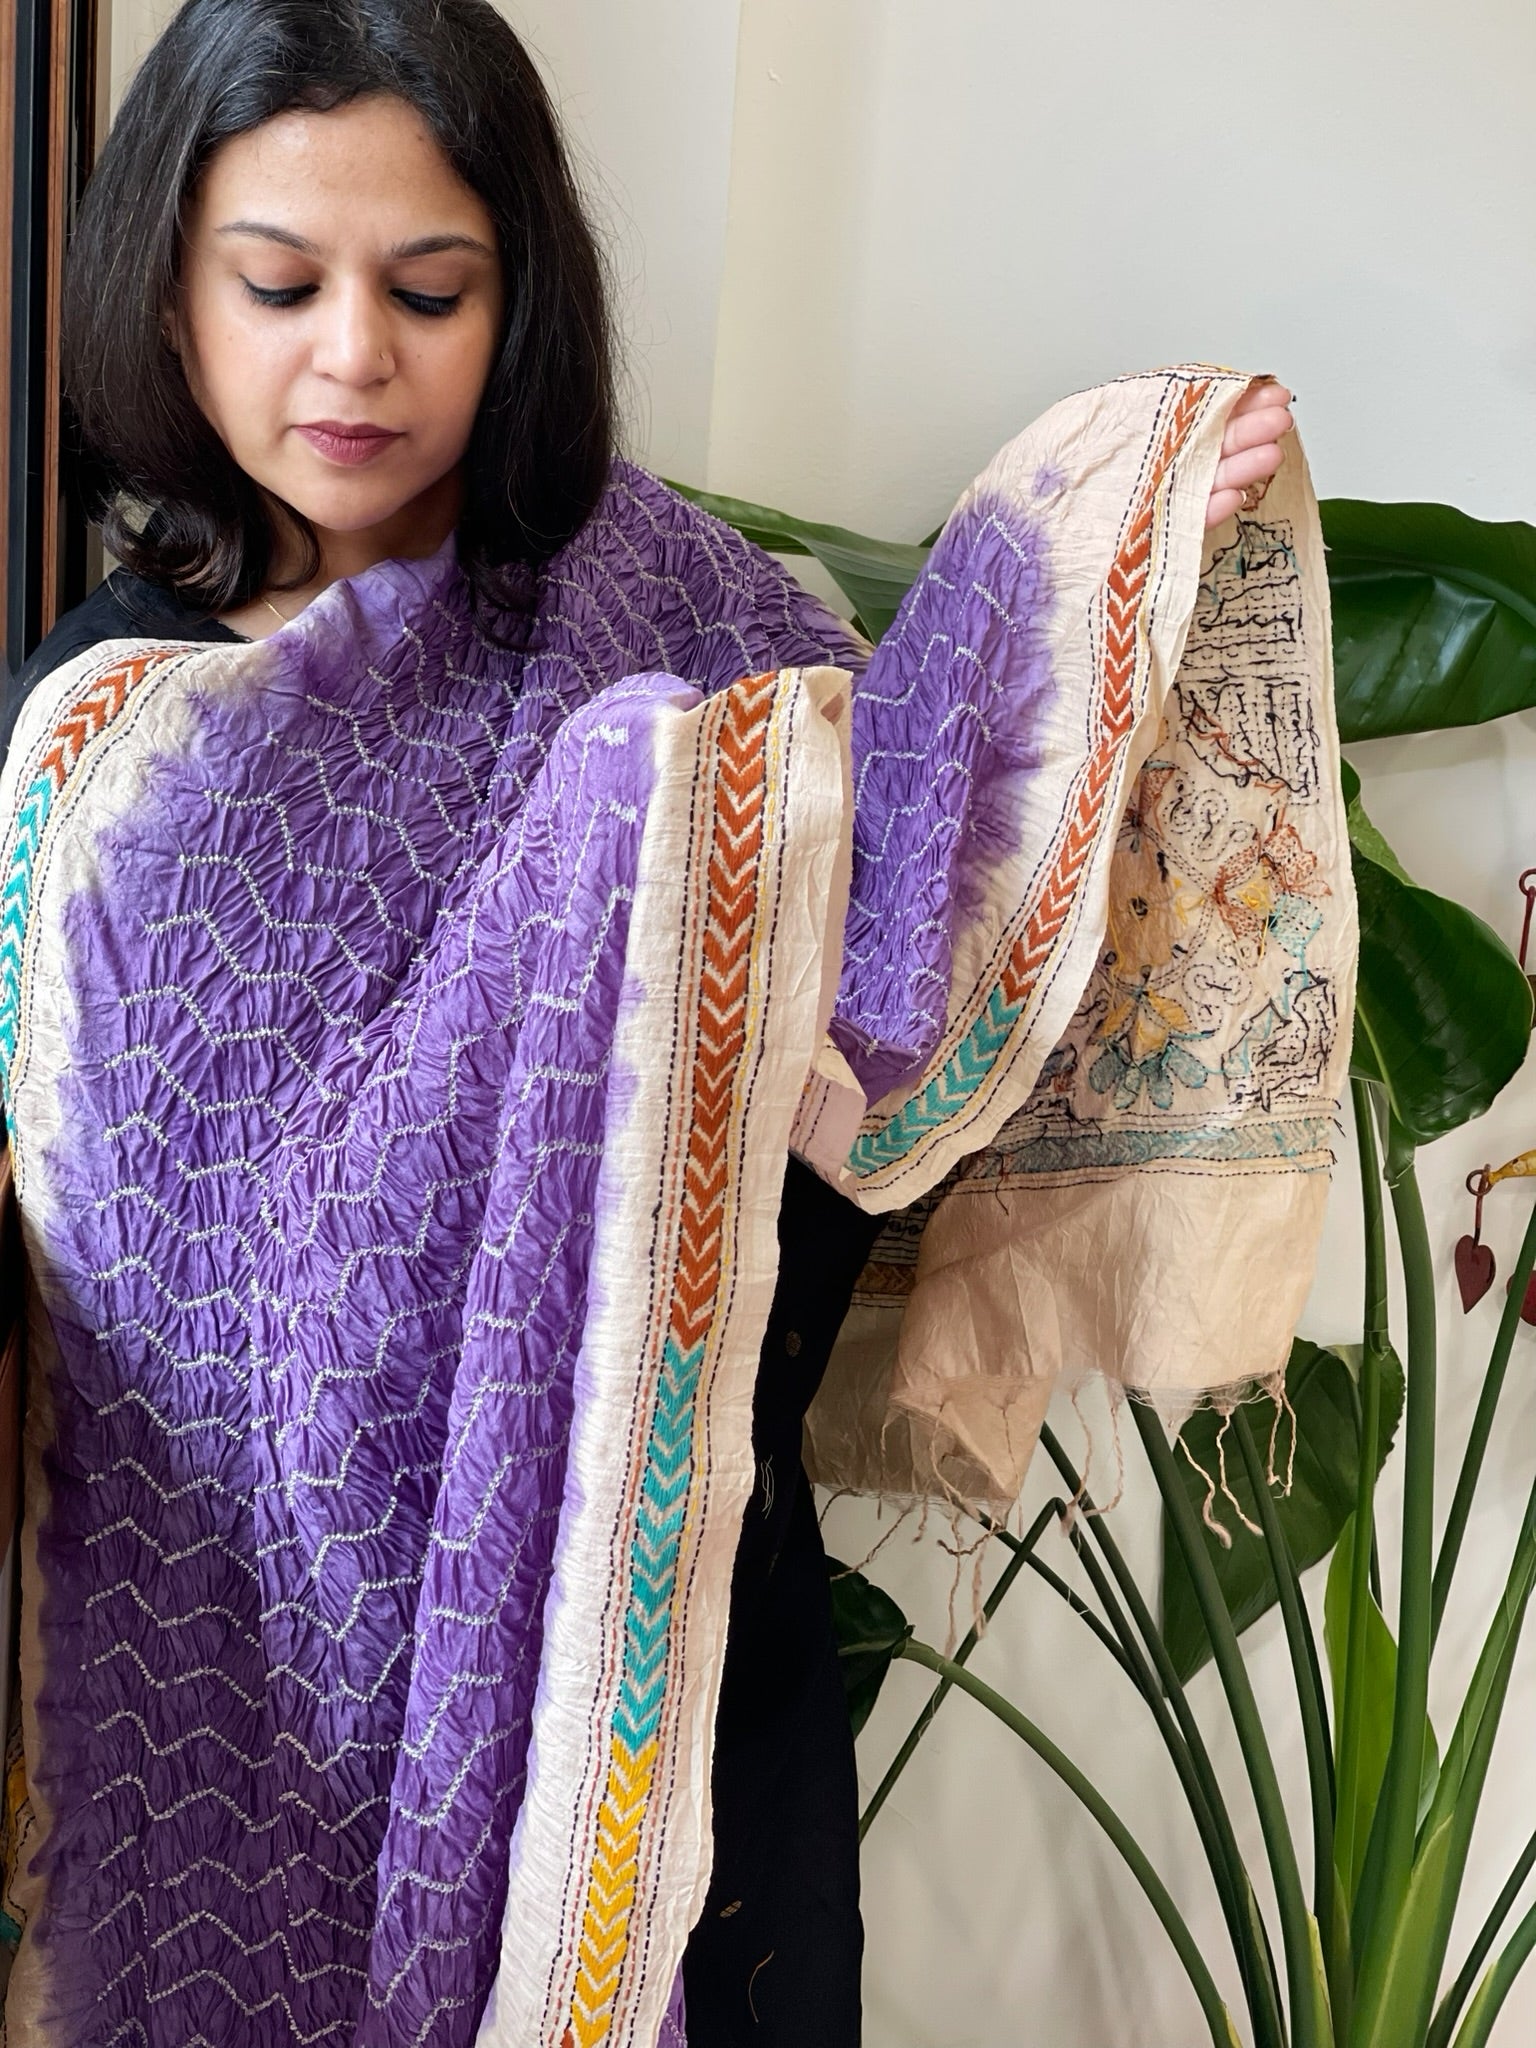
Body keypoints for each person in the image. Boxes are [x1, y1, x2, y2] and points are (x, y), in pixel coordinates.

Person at [1, 4, 1294, 2044]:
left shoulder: (675, 618)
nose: (353, 351)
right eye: (279, 283)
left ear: (520, 300)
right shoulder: (110, 738)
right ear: (164, 289)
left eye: (431, 288)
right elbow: (137, 1283)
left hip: (676, 1691)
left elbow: (876, 1022)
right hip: (252, 1713)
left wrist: (1095, 562)